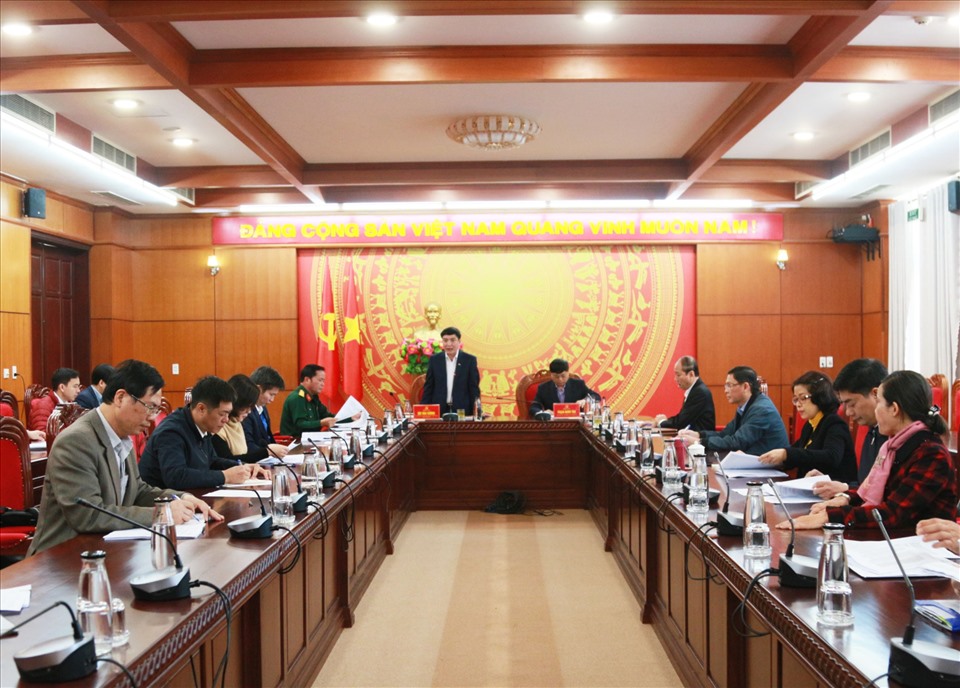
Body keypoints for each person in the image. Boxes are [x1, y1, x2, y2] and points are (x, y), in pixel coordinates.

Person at [28, 360, 220, 555]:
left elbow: (138, 491)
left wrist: (181, 497)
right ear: (120, 397)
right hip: (61, 556)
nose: (152, 417)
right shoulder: (76, 441)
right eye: (149, 407)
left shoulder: (122, 436)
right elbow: (88, 515)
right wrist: (162, 514)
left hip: (106, 550)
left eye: (156, 410)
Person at [777, 370, 957, 531]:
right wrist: (845, 498)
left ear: (894, 409)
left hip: (920, 546)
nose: (875, 410)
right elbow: (874, 492)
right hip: (895, 539)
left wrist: (830, 516)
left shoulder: (930, 454)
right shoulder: (895, 445)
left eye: (879, 403)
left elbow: (893, 513)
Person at [139, 376, 269, 490]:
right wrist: (225, 476)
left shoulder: (202, 426)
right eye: (222, 414)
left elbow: (211, 461)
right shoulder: (171, 432)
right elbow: (176, 476)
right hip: (162, 504)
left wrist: (242, 467)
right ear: (201, 409)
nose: (226, 420)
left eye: (228, 414)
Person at [758, 371, 857, 483]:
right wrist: (768, 459)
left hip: (837, 489)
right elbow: (796, 453)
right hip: (810, 486)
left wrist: (786, 454)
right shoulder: (810, 425)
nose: (798, 404)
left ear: (820, 396)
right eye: (796, 399)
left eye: (803, 398)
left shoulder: (834, 424)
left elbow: (831, 457)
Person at [810, 358, 888, 498]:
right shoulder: (873, 430)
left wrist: (845, 489)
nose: (848, 413)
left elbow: (885, 495)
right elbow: (864, 483)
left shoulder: (895, 436)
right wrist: (832, 483)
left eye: (851, 404)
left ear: (875, 394)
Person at [678, 366, 787, 455]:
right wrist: (698, 435)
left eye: (729, 385)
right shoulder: (746, 406)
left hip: (771, 468)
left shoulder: (761, 410)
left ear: (745, 387)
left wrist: (699, 442)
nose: (725, 391)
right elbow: (725, 434)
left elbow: (736, 442)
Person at [214, 374, 288, 463]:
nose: (249, 411)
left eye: (251, 407)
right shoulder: (218, 427)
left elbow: (245, 455)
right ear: (237, 403)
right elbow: (227, 461)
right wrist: (266, 452)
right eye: (247, 407)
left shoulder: (237, 423)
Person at [419, 326, 480, 414]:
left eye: (452, 340)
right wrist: (422, 410)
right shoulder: (435, 360)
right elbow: (429, 387)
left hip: (462, 410)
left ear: (459, 341)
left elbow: (474, 388)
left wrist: (477, 410)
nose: (448, 344)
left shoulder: (469, 360)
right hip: (439, 409)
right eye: (445, 340)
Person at [654, 356, 716, 432]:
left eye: (678, 375)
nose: (675, 379)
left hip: (701, 438)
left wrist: (661, 422)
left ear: (691, 374)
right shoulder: (695, 389)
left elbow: (680, 423)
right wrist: (664, 420)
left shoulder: (699, 392)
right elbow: (682, 418)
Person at [528, 358, 600, 417]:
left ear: (568, 373)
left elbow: (596, 396)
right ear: (551, 375)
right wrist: (543, 413)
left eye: (563, 376)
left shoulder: (578, 384)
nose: (560, 379)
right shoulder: (543, 388)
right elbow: (534, 407)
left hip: (576, 424)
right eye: (556, 376)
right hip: (553, 425)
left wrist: (585, 400)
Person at [279, 365, 337, 436]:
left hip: (309, 438)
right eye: (320, 380)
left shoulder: (313, 397)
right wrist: (321, 423)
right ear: (307, 380)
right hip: (295, 440)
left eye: (323, 381)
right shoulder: (297, 397)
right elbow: (300, 425)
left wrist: (348, 417)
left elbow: (328, 416)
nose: (323, 384)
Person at [243, 365, 285, 452]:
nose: (272, 400)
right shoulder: (245, 412)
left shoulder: (263, 408)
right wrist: (268, 452)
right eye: (271, 394)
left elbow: (268, 438)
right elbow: (248, 445)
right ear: (259, 389)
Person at [28, 367, 82, 433]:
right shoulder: (43, 406)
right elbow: (42, 434)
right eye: (75, 386)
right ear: (62, 387)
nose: (78, 390)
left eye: (78, 386)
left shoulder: (70, 404)